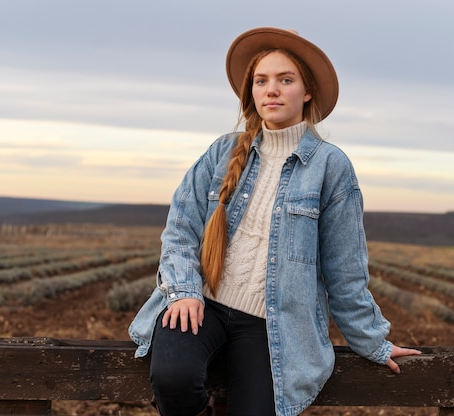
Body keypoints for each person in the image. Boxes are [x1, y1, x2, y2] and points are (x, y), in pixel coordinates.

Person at [128, 27, 421, 416]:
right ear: (251, 91)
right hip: (203, 305)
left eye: (286, 80)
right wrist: (183, 290)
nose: (272, 90)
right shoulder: (223, 150)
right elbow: (180, 229)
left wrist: (374, 343)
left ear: (307, 91)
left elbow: (345, 270)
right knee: (173, 378)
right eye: (261, 81)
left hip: (270, 324)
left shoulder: (331, 167)